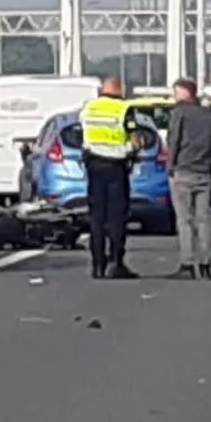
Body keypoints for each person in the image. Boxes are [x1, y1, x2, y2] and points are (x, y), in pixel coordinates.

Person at [163, 78, 211, 280]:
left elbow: (174, 141)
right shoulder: (209, 115)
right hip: (203, 172)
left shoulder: (179, 113)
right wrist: (209, 165)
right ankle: (205, 264)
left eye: (176, 92)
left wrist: (170, 167)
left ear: (184, 92)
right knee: (203, 220)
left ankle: (187, 263)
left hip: (183, 170)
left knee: (184, 220)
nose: (174, 96)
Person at [80, 77, 137, 280]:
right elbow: (135, 139)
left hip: (94, 164)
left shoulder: (89, 108)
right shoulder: (124, 108)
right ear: (120, 90)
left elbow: (83, 134)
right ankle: (115, 262)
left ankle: (97, 264)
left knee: (97, 217)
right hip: (116, 166)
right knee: (116, 217)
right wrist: (132, 150)